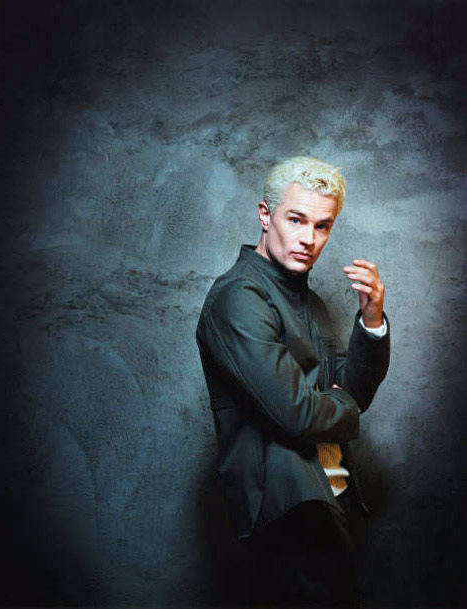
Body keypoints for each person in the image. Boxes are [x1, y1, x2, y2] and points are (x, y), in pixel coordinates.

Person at [196, 156, 390, 607]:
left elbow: (353, 392)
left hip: (330, 497)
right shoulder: (239, 298)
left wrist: (371, 319)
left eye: (323, 226)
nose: (309, 238)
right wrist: (342, 405)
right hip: (287, 509)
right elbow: (298, 413)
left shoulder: (309, 302)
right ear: (265, 216)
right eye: (296, 219)